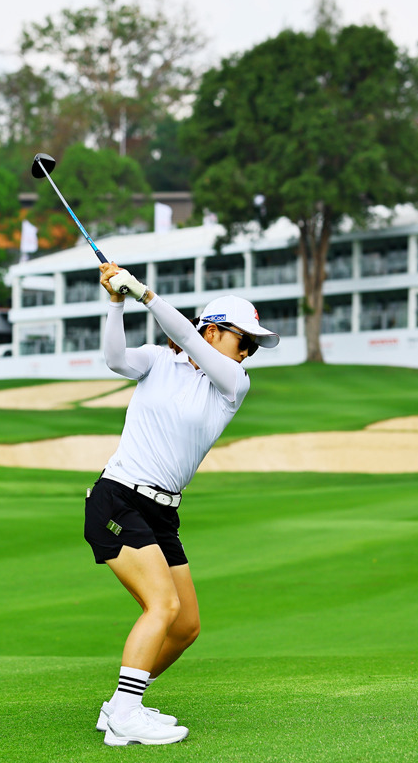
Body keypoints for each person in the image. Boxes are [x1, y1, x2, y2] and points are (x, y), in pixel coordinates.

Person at [85, 262, 279, 747]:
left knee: (186, 626)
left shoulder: (232, 384)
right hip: (118, 498)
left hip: (162, 512)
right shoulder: (158, 361)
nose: (249, 351)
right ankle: (126, 717)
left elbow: (188, 342)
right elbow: (114, 359)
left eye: (253, 346)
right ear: (214, 331)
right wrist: (117, 301)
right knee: (162, 605)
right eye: (244, 340)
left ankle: (120, 705)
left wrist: (145, 293)